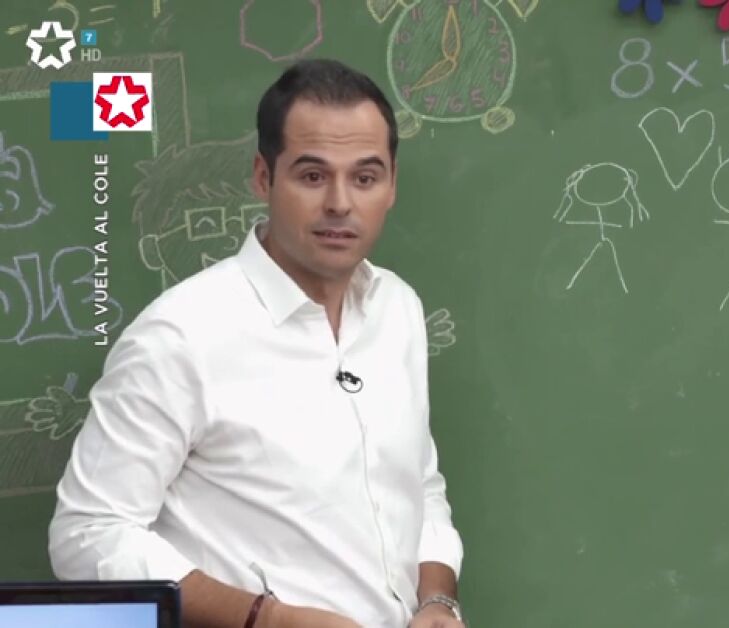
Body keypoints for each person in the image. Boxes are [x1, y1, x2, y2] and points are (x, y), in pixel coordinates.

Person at [48, 59, 466, 628]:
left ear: (392, 183)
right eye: (312, 176)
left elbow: (417, 481)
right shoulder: (180, 336)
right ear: (264, 178)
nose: (340, 203)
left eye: (364, 178)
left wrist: (437, 600)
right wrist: (267, 619)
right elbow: (87, 534)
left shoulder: (398, 310)